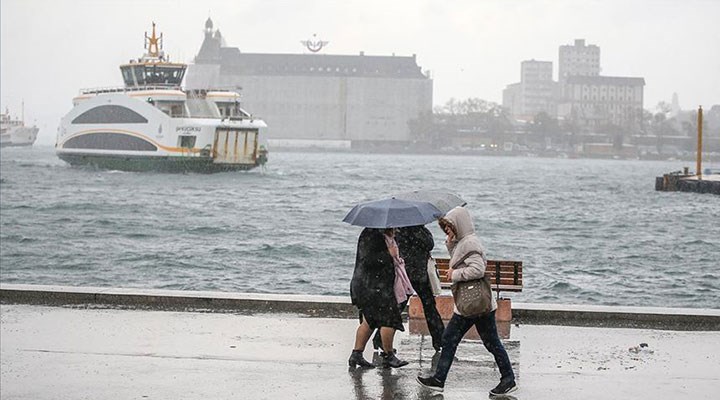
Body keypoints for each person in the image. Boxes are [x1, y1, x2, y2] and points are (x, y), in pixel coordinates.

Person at [416, 207, 517, 396]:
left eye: (449, 227)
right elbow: (461, 258)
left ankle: (440, 380)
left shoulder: (470, 243)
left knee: (454, 339)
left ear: (459, 225)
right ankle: (507, 378)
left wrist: (455, 274)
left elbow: (478, 270)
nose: (447, 231)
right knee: (487, 342)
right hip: (474, 304)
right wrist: (450, 244)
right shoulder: (464, 241)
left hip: (473, 304)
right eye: (445, 228)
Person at [348, 228, 411, 369]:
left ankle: (356, 354)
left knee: (370, 321)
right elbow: (368, 259)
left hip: (378, 285)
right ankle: (388, 355)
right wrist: (388, 254)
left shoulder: (387, 235)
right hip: (372, 286)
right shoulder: (371, 234)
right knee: (389, 320)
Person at [395, 225, 445, 351]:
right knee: (430, 307)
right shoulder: (420, 231)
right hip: (419, 274)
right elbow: (430, 244)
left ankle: (380, 338)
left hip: (406, 273)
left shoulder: (399, 230)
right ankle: (440, 339)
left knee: (399, 306)